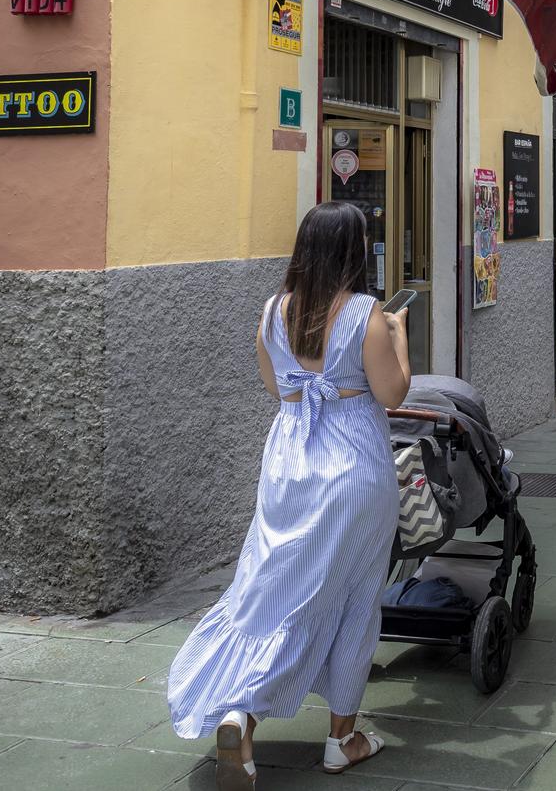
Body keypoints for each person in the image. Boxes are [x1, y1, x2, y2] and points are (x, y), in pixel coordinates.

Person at [167, 202, 410, 786]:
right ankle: (341, 739)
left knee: (271, 591)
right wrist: (400, 338)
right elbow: (394, 394)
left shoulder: (273, 312)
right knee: (351, 600)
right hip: (353, 475)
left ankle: (240, 718)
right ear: (354, 251)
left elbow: (279, 388)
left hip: (288, 470)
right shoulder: (367, 316)